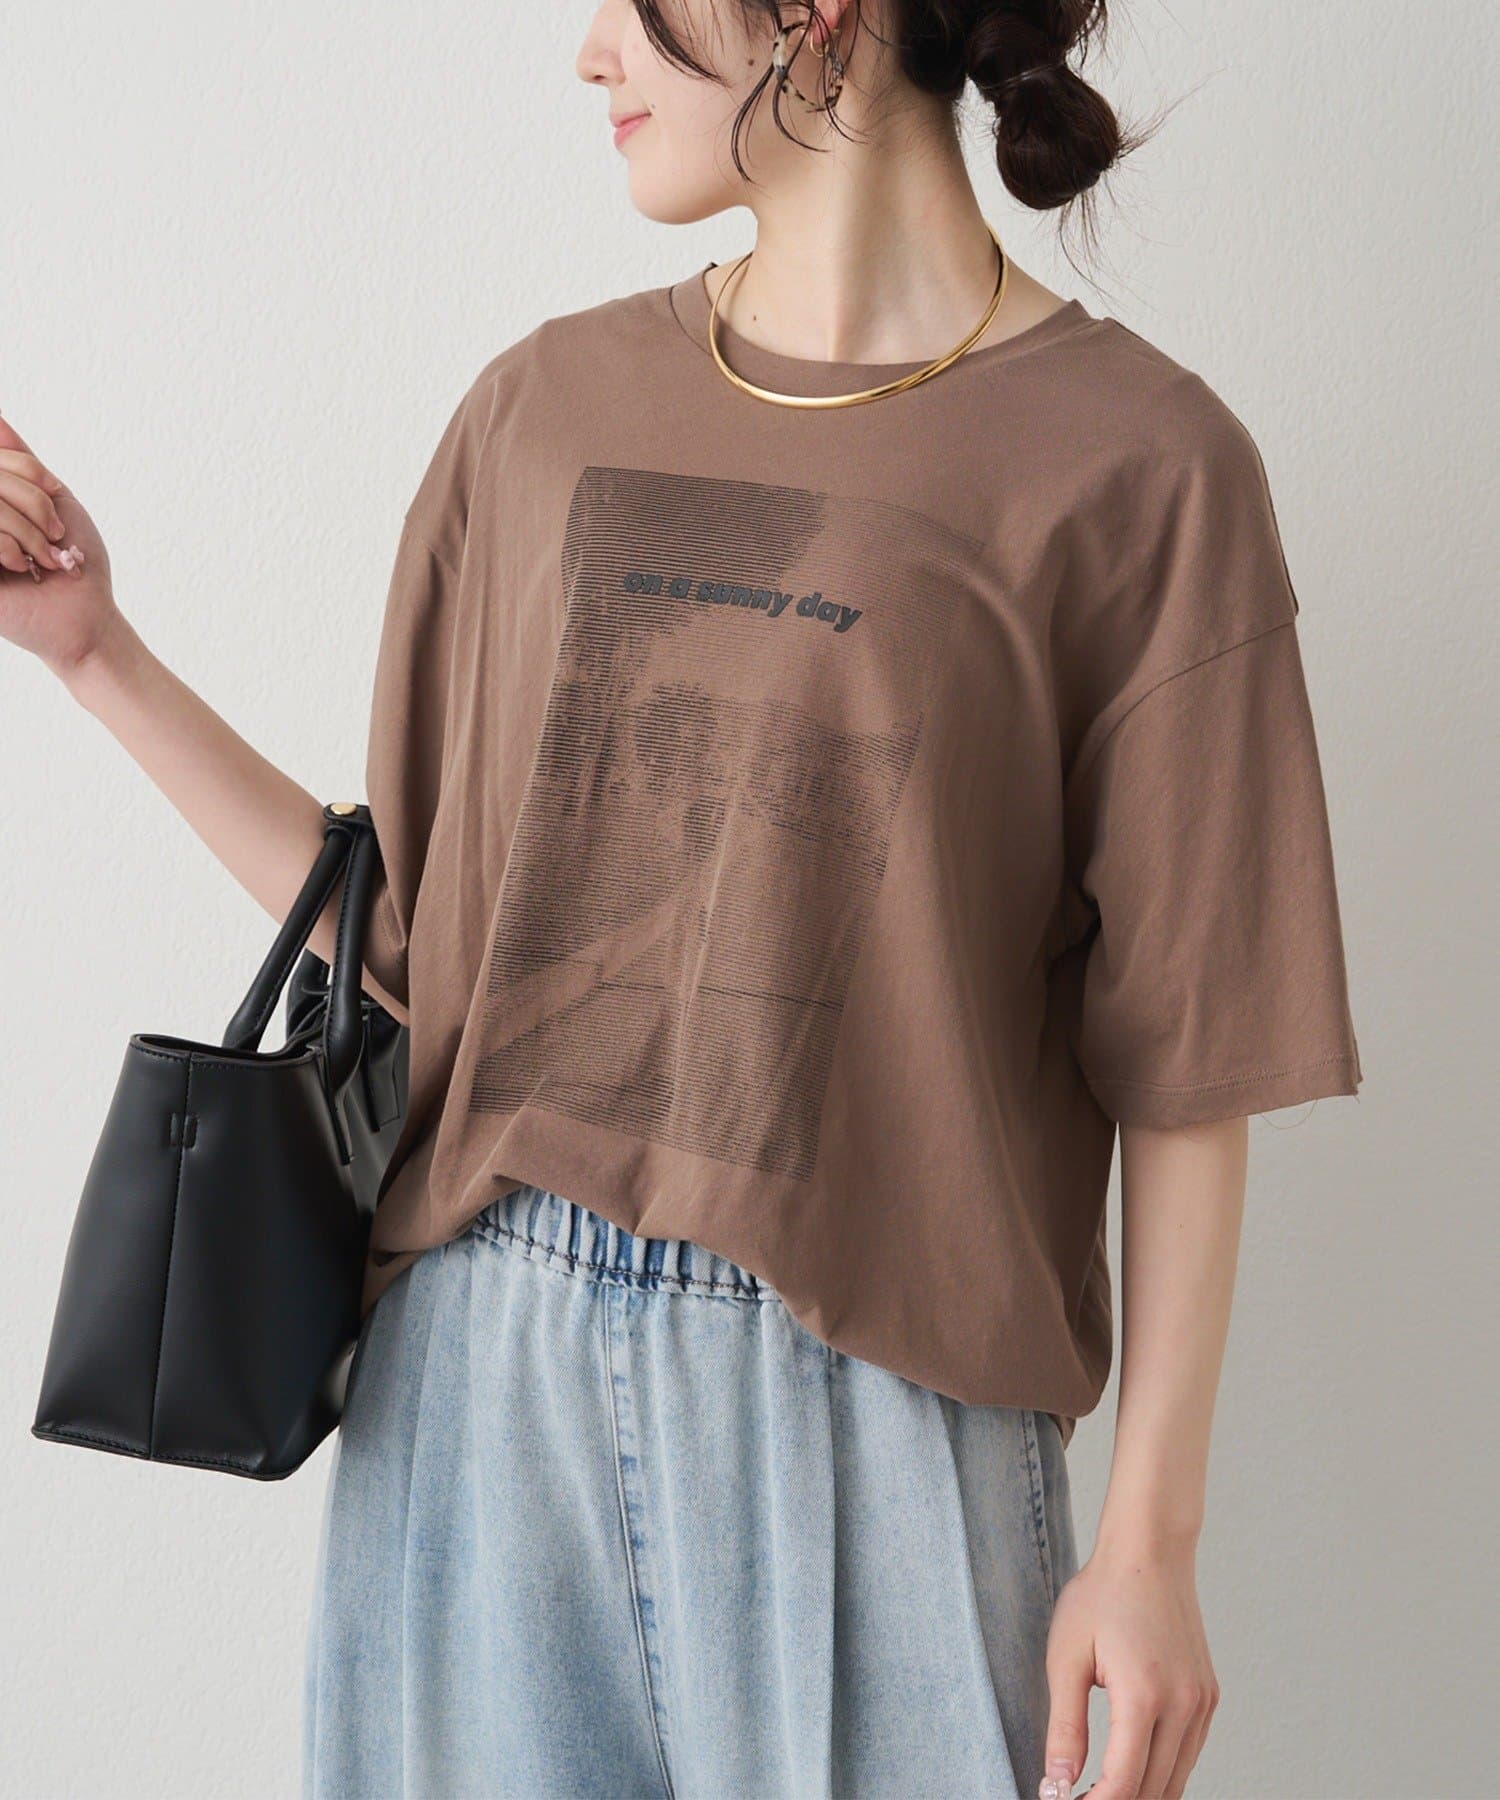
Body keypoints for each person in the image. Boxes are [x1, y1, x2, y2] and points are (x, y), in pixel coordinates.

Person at [2, 1, 1363, 1795]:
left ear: (817, 14)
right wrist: (93, 654)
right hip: (479, 1388)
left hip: (878, 1422)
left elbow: (1194, 1051)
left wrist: (1150, 1546)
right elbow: (414, 954)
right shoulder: (539, 414)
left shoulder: (1139, 465)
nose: (588, 52)